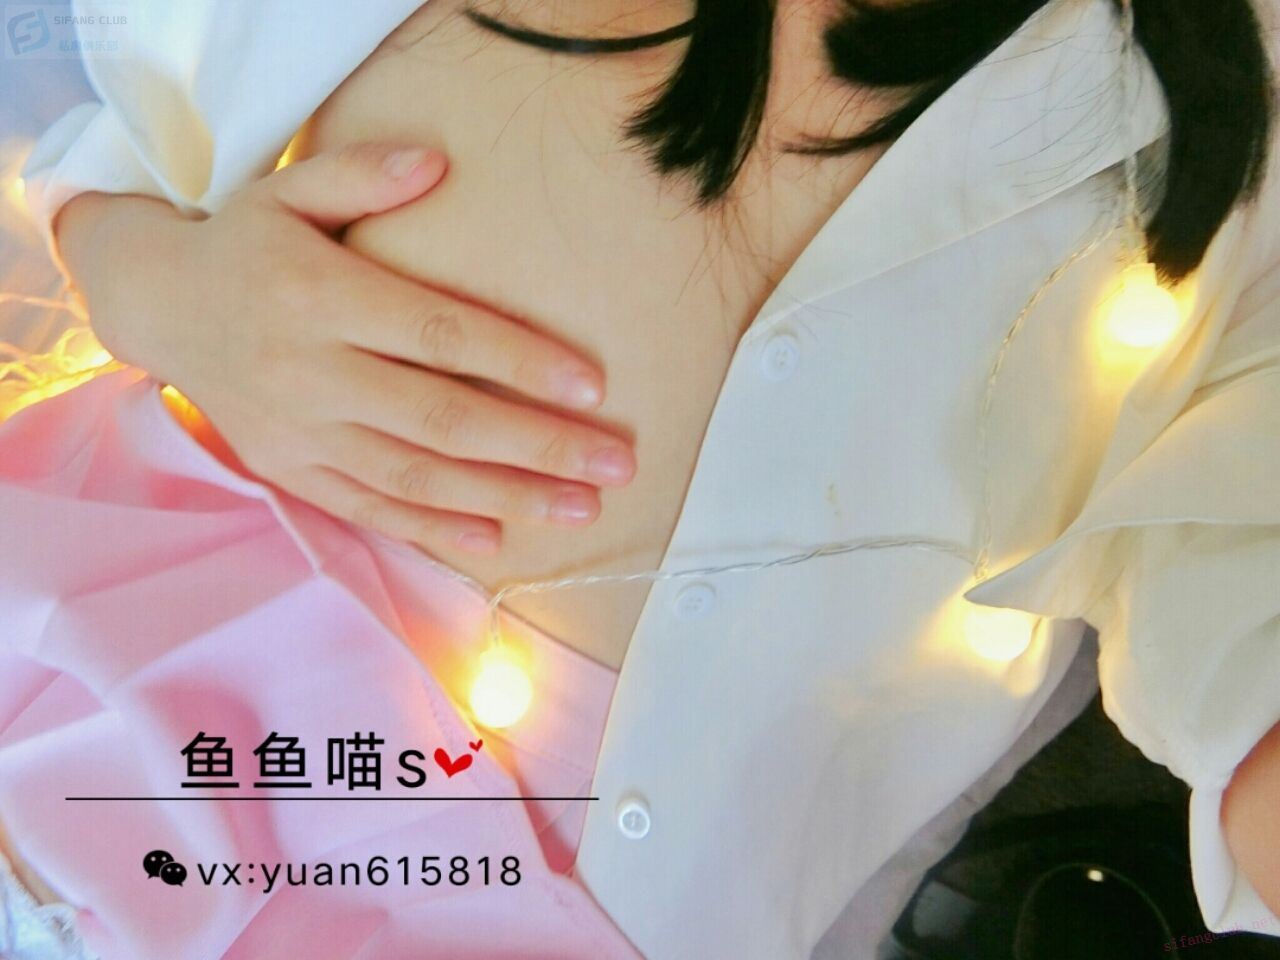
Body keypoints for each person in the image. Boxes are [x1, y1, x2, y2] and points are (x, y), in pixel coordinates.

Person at [1, 1, 1279, 957]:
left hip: (567, 867)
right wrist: (142, 273)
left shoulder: (1226, 116)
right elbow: (119, 127)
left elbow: (1229, 567)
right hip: (129, 616)